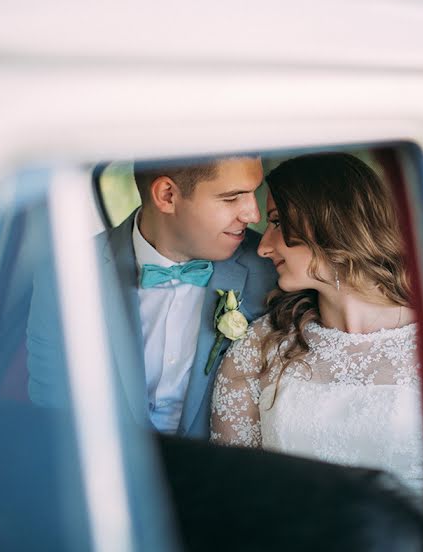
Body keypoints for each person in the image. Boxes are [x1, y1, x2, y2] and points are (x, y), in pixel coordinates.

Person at [210, 153, 423, 494]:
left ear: (330, 220)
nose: (264, 247)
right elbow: (235, 491)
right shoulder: (259, 347)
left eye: (278, 222)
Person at [27, 156, 278, 439]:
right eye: (232, 198)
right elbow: (51, 404)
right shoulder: (68, 275)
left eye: (253, 193)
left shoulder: (273, 270)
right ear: (167, 196)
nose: (253, 215)